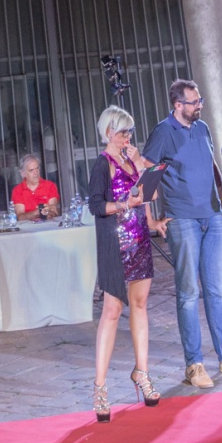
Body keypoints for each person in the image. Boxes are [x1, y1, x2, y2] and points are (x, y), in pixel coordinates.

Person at [144, 78, 222, 389]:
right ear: (178, 105)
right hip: (182, 219)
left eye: (200, 101)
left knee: (216, 290)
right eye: (194, 102)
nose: (199, 106)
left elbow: (211, 165)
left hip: (212, 218)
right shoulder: (162, 132)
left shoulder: (203, 127)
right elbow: (147, 173)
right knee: (188, 292)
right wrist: (151, 220)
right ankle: (194, 364)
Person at [87, 106, 170, 419]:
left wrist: (141, 167)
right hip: (115, 244)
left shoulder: (132, 160)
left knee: (140, 304)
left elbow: (149, 195)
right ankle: (100, 387)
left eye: (130, 132)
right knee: (111, 310)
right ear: (109, 132)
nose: (128, 137)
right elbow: (96, 205)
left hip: (139, 241)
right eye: (123, 132)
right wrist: (124, 204)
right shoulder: (102, 164)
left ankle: (142, 373)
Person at [11, 154, 60, 222]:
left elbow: (54, 212)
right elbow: (20, 217)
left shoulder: (50, 186)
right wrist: (36, 213)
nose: (36, 173)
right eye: (31, 170)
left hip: (48, 225)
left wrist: (48, 213)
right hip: (27, 227)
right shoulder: (17, 190)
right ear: (23, 173)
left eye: (37, 168)